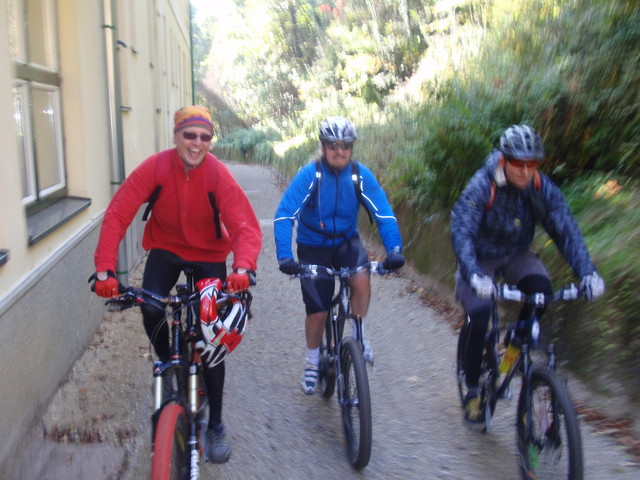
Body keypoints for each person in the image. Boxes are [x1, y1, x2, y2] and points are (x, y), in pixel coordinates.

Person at [90, 105, 262, 462]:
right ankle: (168, 360)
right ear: (176, 136)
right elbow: (118, 213)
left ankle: (216, 424)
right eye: (189, 135)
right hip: (166, 250)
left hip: (208, 254)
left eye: (205, 137)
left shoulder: (217, 174)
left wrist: (243, 267)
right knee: (152, 307)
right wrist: (105, 270)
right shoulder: (155, 168)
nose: (197, 143)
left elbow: (244, 226)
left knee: (211, 337)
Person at [451, 124, 605, 423]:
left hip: (517, 254)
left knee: (541, 294)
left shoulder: (540, 187)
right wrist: (473, 273)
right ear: (503, 160)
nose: (525, 171)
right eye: (518, 163)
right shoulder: (483, 185)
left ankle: (514, 346)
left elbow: (565, 230)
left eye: (532, 164)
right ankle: (473, 390)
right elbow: (462, 231)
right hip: (480, 258)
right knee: (478, 316)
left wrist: (587, 273)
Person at [274, 116, 405, 395]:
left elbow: (383, 212)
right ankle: (312, 362)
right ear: (323, 147)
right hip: (313, 245)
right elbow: (285, 214)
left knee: (361, 277)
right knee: (318, 312)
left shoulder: (359, 175)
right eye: (333, 145)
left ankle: (359, 335)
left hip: (346, 242)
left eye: (345, 145)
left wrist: (394, 249)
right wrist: (285, 255)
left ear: (351, 148)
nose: (340, 151)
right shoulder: (310, 175)